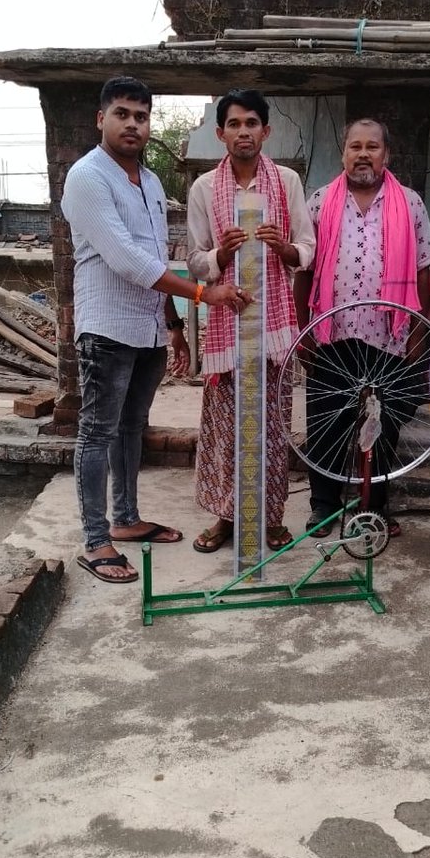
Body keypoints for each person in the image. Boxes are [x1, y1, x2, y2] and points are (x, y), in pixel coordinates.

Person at [62, 76, 247, 584]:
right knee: (97, 432)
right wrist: (203, 295)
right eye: (122, 114)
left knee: (131, 427)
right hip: (105, 328)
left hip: (146, 328)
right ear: (101, 119)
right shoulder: (87, 177)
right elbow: (124, 260)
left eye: (141, 117)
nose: (133, 124)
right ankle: (96, 540)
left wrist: (172, 325)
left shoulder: (150, 181)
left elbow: (153, 257)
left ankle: (125, 520)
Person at [294, 118, 430, 538]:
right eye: (354, 146)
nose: (363, 154)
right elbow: (304, 270)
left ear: (385, 155)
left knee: (383, 426)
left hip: (388, 335)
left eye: (372, 147)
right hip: (331, 332)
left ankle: (373, 506)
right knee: (325, 422)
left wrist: (417, 333)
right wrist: (304, 329)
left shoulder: (409, 203)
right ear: (343, 154)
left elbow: (423, 271)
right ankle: (323, 507)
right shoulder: (321, 201)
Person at [187, 89, 316, 553]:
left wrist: (282, 248)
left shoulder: (285, 182)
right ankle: (226, 516)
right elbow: (196, 261)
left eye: (252, 123)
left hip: (274, 328)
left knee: (272, 426)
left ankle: (271, 516)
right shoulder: (204, 187)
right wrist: (222, 252)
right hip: (228, 326)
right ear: (220, 133)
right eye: (235, 124)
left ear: (267, 130)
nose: (244, 132)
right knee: (226, 428)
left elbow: (307, 246)